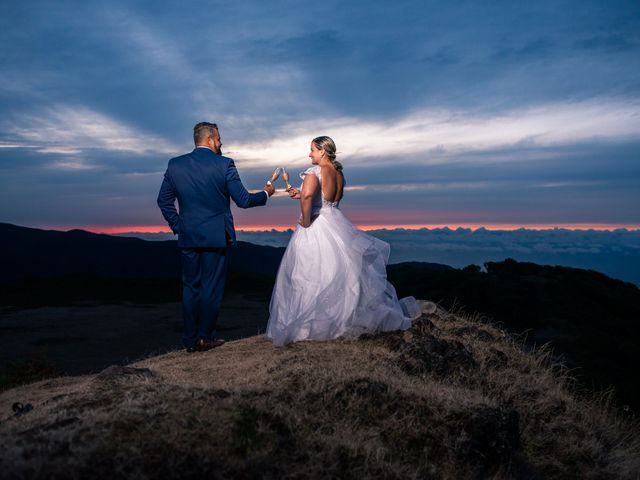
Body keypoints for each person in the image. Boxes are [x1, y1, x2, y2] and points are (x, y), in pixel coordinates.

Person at [266, 136, 420, 346]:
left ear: (322, 151)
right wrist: (301, 192)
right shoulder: (338, 173)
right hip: (336, 222)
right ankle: (341, 319)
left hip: (318, 224)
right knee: (338, 271)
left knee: (309, 272)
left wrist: (305, 218)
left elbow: (309, 198)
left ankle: (309, 326)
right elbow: (322, 197)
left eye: (312, 150)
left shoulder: (314, 172)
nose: (309, 154)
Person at [158, 122, 275, 352]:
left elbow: (163, 200)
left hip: (188, 236)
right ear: (210, 139)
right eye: (219, 138)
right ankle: (205, 337)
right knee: (211, 288)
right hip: (215, 237)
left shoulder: (175, 165)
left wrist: (179, 226)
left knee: (191, 287)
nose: (221, 143)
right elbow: (243, 200)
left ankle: (190, 340)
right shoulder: (225, 164)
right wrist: (266, 194)